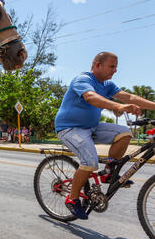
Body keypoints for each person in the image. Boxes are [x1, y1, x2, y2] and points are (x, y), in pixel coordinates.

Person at [55, 52, 155, 220]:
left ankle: (108, 172)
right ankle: (72, 199)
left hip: (92, 127)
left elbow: (130, 97)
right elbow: (90, 97)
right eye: (111, 66)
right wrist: (119, 107)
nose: (115, 70)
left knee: (124, 133)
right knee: (90, 162)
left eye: (116, 67)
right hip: (70, 128)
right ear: (97, 65)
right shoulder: (83, 79)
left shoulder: (107, 85)